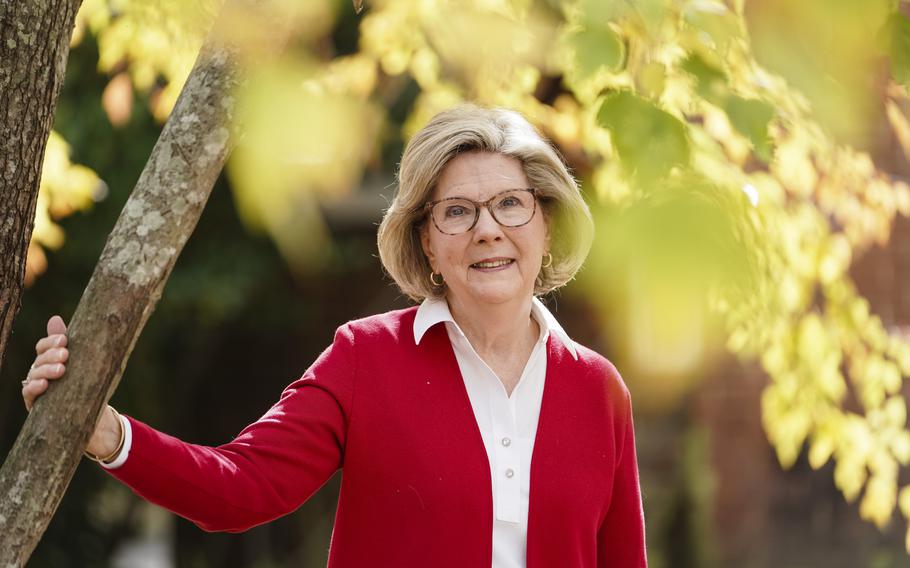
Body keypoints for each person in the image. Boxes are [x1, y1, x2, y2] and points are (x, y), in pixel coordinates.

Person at [22, 104, 647, 567]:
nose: (487, 230)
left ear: (547, 222)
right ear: (426, 242)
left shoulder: (598, 389)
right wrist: (106, 433)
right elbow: (238, 488)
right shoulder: (365, 358)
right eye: (457, 211)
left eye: (511, 203)